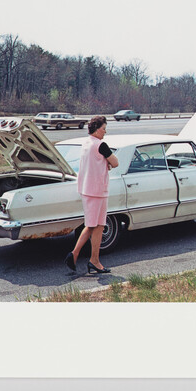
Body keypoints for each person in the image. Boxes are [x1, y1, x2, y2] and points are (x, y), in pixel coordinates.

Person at [65, 115, 119, 275]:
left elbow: (95, 163)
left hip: (87, 189)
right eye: (103, 129)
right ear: (96, 129)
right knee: (95, 225)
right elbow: (115, 162)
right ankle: (84, 257)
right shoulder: (101, 145)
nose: (105, 132)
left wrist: (104, 163)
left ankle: (87, 258)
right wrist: (107, 163)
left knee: (95, 225)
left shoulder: (86, 143)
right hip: (97, 191)